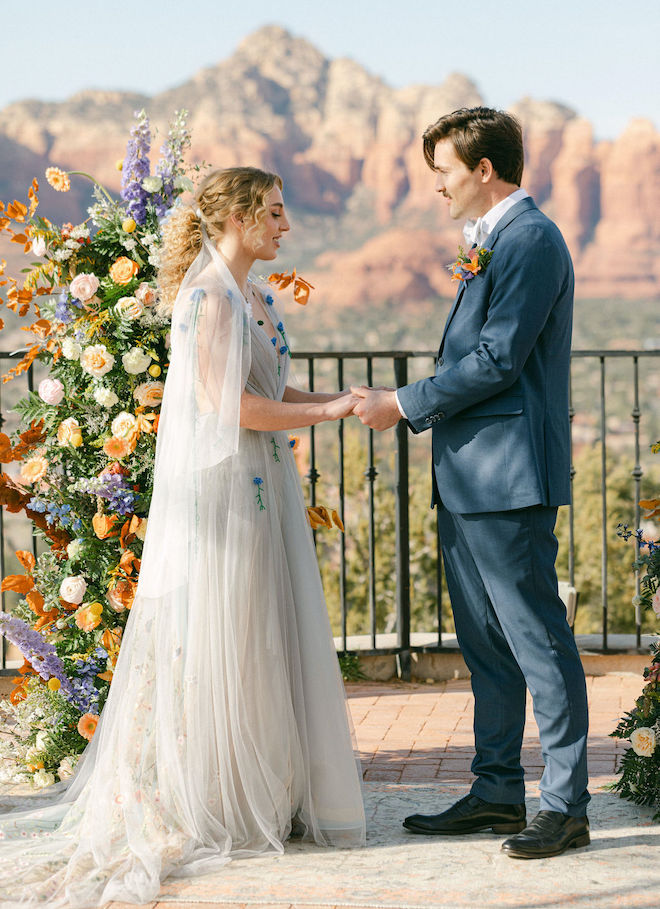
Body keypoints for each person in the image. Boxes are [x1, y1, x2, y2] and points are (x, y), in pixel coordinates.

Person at [0, 166, 365, 907]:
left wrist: (339, 399)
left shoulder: (253, 297)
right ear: (234, 217)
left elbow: (270, 392)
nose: (284, 226)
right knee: (225, 633)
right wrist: (327, 417)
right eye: (272, 212)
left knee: (261, 633)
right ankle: (217, 798)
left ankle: (260, 783)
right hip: (225, 497)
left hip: (263, 489)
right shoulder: (207, 301)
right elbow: (226, 406)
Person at [351, 107, 590, 859]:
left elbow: (497, 359)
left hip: (509, 478)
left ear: (484, 170)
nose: (438, 189)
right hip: (470, 478)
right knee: (487, 646)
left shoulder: (530, 239)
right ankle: (495, 790)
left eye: (444, 173)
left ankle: (566, 802)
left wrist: (402, 403)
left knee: (537, 640)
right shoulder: (496, 241)